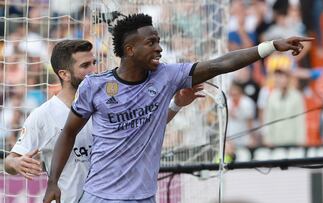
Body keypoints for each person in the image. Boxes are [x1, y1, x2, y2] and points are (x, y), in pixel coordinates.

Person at [43, 13, 312, 203]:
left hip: (144, 196)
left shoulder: (167, 76)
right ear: (129, 49)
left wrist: (270, 47)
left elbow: (218, 64)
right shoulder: (95, 86)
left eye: (159, 41)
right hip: (100, 196)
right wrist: (53, 181)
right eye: (151, 43)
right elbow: (68, 133)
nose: (159, 48)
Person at [4, 40, 202, 203]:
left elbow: (145, 126)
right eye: (85, 66)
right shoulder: (42, 115)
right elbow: (9, 161)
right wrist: (18, 163)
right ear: (64, 74)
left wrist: (176, 104)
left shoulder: (107, 99)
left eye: (94, 63)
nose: (93, 70)